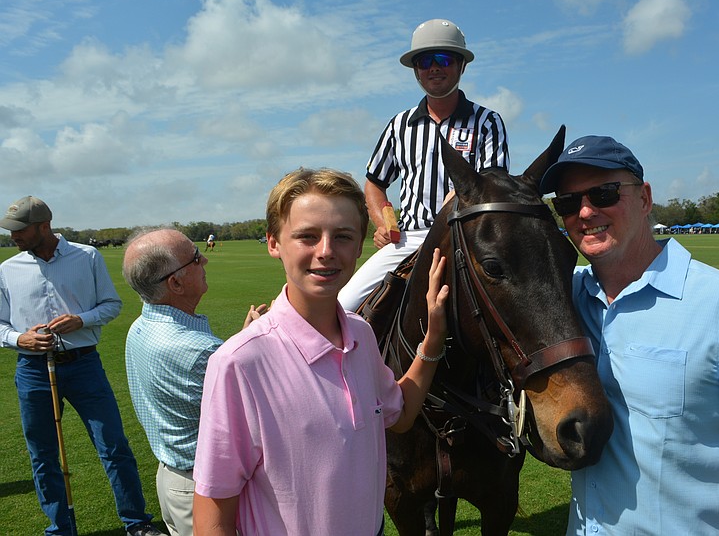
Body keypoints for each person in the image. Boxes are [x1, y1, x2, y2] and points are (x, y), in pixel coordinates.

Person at [538, 137, 719, 535]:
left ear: (644, 198)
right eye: (567, 203)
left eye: (603, 193)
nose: (585, 212)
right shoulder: (564, 302)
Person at [192, 168, 450, 535]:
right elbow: (214, 506)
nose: (326, 251)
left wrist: (432, 341)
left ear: (359, 245)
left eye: (342, 236)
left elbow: (402, 413)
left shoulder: (360, 334)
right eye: (307, 236)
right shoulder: (239, 361)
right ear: (273, 243)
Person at [0, 196, 163, 536]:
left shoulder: (87, 256)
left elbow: (111, 304)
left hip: (83, 364)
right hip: (32, 370)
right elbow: (1, 325)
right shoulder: (7, 269)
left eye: (20, 230)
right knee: (43, 454)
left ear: (44, 225)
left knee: (113, 445)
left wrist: (81, 319)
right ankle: (60, 528)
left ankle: (137, 522)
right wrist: (20, 339)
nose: (14, 236)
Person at [338, 18, 509, 311]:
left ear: (461, 66)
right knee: (344, 303)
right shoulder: (399, 125)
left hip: (468, 237)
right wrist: (384, 223)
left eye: (443, 58)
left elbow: (493, 182)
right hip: (410, 238)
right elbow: (375, 182)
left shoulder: (486, 122)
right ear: (416, 70)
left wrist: (461, 197)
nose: (434, 67)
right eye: (424, 61)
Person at [122, 228, 268, 536]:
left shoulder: (141, 326)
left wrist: (237, 344)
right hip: (205, 489)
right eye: (195, 258)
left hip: (174, 481)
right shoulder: (197, 349)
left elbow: (203, 385)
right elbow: (263, 413)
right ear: (174, 282)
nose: (205, 261)